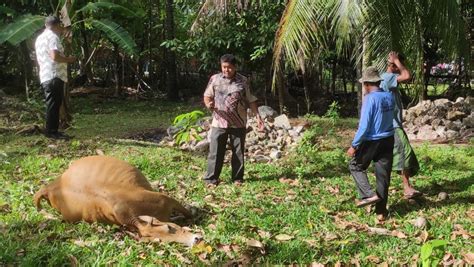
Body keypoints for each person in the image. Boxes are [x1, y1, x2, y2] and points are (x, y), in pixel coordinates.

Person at [203, 54, 264, 187]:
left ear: (235, 67)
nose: (226, 70)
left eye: (230, 67)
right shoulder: (215, 79)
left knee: (238, 152)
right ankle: (211, 179)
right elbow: (207, 96)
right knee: (215, 151)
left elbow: (251, 99)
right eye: (224, 67)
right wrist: (209, 104)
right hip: (219, 121)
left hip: (239, 122)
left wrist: (258, 116)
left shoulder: (243, 81)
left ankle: (237, 178)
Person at [347, 66, 395, 222]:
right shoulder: (389, 96)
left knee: (355, 166)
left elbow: (364, 125)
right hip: (388, 139)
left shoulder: (370, 99)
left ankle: (368, 195)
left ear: (367, 84)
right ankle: (381, 212)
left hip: (372, 140)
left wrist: (354, 145)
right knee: (383, 176)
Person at [380, 51, 421, 199]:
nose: (402, 67)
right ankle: (406, 188)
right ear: (393, 66)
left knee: (396, 155)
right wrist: (397, 60)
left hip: (392, 124)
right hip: (393, 125)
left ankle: (403, 186)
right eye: (399, 65)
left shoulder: (387, 79)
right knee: (405, 152)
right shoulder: (388, 77)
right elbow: (407, 76)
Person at [35, 16, 75, 139]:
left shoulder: (40, 38)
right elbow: (55, 56)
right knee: (53, 104)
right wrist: (69, 59)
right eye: (60, 26)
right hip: (54, 75)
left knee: (53, 103)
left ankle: (52, 130)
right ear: (57, 25)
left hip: (46, 74)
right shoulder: (52, 37)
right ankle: (52, 132)